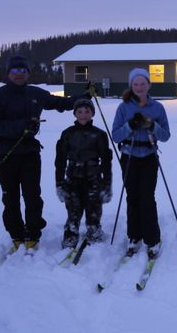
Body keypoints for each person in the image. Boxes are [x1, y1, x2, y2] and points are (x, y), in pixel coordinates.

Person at [0, 55, 87, 252]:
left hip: (29, 153)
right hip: (5, 154)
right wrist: (21, 126)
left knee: (32, 195)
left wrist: (82, 98)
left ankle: (32, 233)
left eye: (23, 71)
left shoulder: (34, 93)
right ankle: (16, 234)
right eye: (15, 71)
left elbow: (58, 104)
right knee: (10, 196)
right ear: (8, 74)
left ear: (28, 73)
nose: (19, 74)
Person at [112, 68, 171, 260]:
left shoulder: (157, 108)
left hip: (149, 156)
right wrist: (130, 126)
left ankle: (152, 239)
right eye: (135, 84)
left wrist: (152, 125)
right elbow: (115, 135)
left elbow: (166, 136)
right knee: (132, 196)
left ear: (148, 85)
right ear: (131, 86)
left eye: (142, 83)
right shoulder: (123, 107)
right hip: (129, 156)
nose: (139, 87)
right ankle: (134, 236)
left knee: (147, 196)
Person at [54, 98, 113, 249]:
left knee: (93, 208)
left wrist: (107, 184)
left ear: (92, 114)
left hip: (93, 177)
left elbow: (106, 160)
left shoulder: (99, 134)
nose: (83, 115)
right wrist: (59, 183)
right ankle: (71, 235)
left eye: (87, 111)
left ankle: (94, 232)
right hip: (73, 178)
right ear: (74, 113)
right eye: (79, 111)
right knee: (73, 209)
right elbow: (60, 160)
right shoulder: (67, 133)